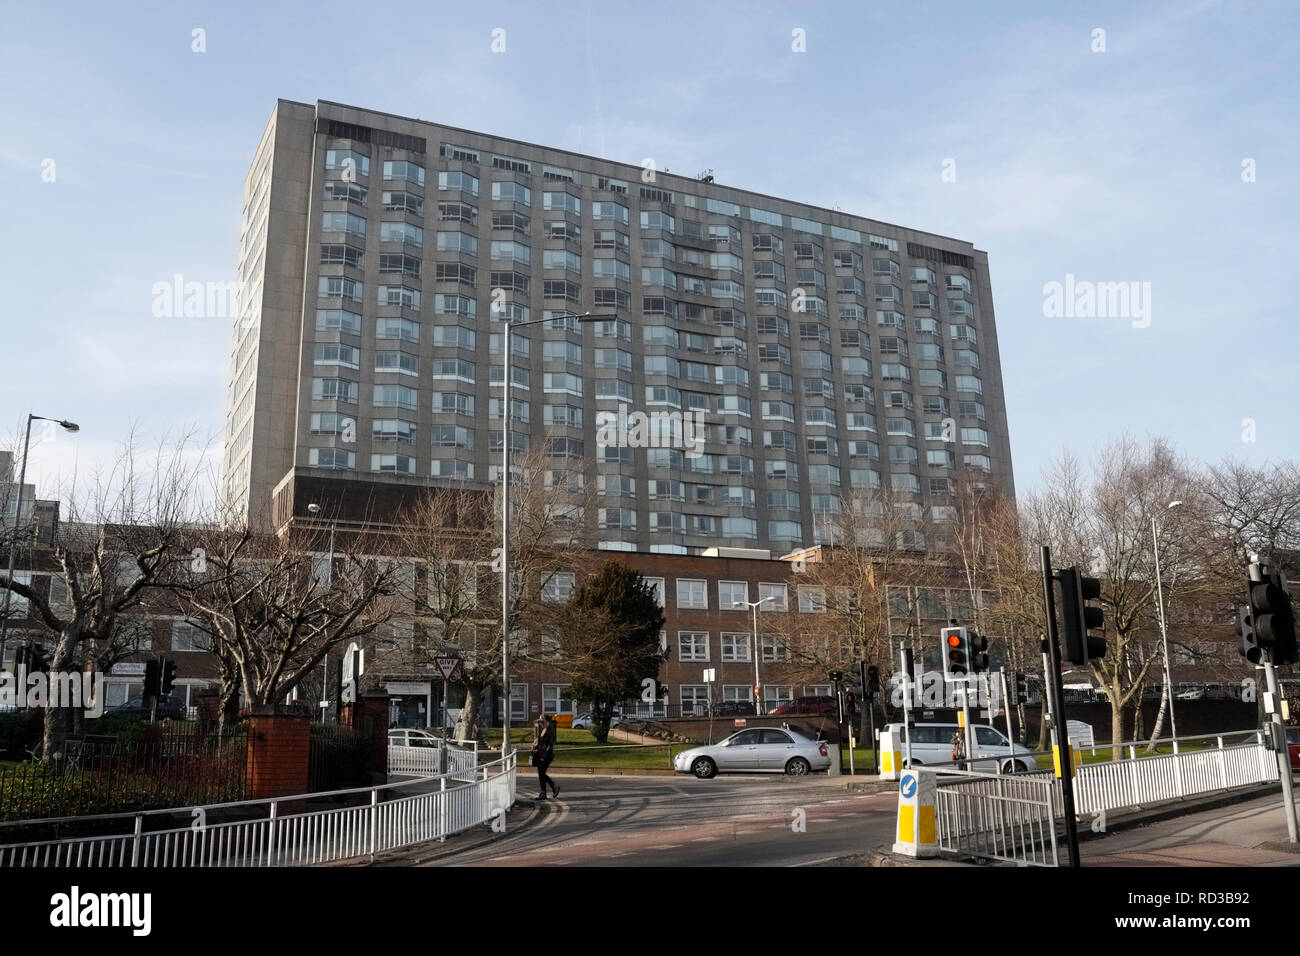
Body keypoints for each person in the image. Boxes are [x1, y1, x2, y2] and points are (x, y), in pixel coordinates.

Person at [533, 712, 559, 799]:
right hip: (540, 755)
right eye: (540, 722)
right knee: (541, 774)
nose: (541, 723)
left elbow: (550, 746)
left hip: (547, 756)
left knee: (541, 773)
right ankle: (544, 792)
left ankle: (553, 787)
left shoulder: (550, 731)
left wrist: (544, 756)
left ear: (547, 721)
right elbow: (540, 743)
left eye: (542, 722)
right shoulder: (543, 730)